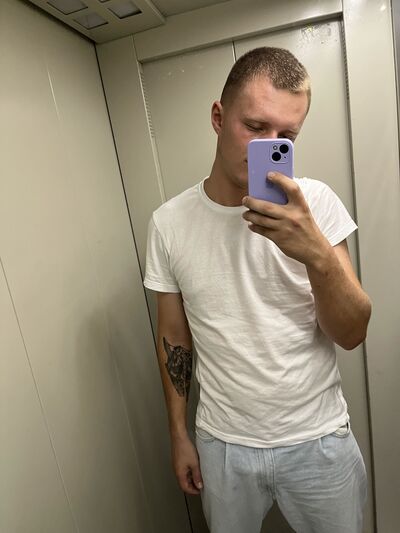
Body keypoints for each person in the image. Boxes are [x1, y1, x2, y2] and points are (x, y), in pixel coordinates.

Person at [143, 47, 371, 533]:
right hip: (223, 445)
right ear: (218, 117)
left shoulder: (316, 205)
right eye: (254, 126)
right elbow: (173, 337)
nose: (268, 147)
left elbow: (352, 332)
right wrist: (178, 433)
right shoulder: (169, 223)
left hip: (319, 439)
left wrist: (316, 253)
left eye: (285, 137)